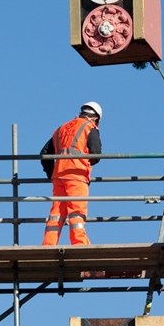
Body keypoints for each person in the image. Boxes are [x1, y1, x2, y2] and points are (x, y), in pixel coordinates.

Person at [40, 102, 102, 245]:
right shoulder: (89, 127)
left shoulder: (61, 129)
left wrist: (52, 174)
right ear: (96, 118)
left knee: (56, 214)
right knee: (77, 213)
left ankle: (48, 246)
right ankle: (80, 246)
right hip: (77, 175)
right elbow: (96, 155)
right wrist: (86, 163)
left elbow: (44, 154)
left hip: (59, 176)